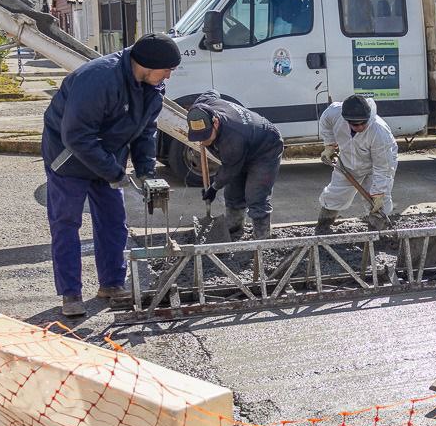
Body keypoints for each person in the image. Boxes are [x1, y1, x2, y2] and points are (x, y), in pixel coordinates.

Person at [41, 33, 181, 317]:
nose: (169, 75)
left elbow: (145, 130)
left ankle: (112, 285)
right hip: (67, 158)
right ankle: (71, 293)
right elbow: (76, 136)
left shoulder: (153, 88)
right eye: (167, 69)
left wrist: (145, 171)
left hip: (107, 158)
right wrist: (114, 171)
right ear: (146, 64)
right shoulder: (98, 79)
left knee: (113, 221)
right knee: (66, 223)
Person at [186, 91, 284, 240]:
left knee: (255, 195)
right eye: (198, 137)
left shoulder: (232, 139)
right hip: (246, 142)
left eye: (205, 136)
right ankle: (234, 229)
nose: (203, 141)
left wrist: (213, 188)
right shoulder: (202, 107)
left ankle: (262, 239)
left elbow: (229, 169)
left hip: (266, 147)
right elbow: (212, 92)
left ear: (216, 122)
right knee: (233, 193)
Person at [315, 94, 398, 230]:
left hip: (376, 165)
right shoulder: (334, 113)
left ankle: (377, 231)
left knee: (377, 201)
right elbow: (325, 121)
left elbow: (383, 167)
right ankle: (323, 226)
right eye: (354, 124)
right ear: (345, 119)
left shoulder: (379, 131)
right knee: (335, 194)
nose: (359, 127)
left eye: (363, 123)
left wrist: (378, 193)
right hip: (348, 160)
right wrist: (329, 145)